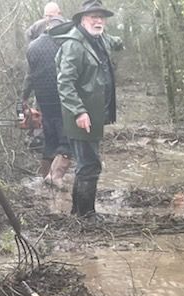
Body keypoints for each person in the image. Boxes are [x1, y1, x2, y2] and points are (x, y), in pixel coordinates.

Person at [54, 0, 118, 218]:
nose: (98, 20)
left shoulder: (97, 39)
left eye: (101, 17)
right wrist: (79, 111)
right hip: (81, 114)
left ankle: (77, 211)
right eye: (93, 16)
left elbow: (113, 42)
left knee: (86, 163)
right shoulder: (75, 44)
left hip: (93, 112)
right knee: (90, 164)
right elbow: (64, 83)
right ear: (83, 19)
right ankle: (87, 214)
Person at [22, 14, 73, 187]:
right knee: (68, 141)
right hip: (64, 101)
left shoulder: (32, 47)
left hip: (43, 103)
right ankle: (55, 177)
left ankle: (44, 180)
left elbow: (29, 77)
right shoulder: (66, 44)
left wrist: (23, 98)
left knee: (50, 141)